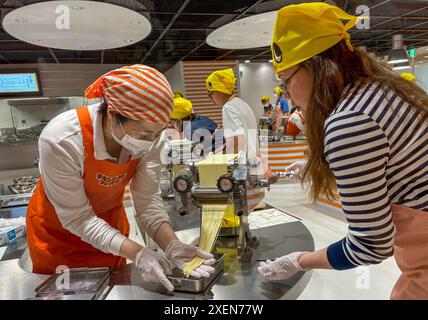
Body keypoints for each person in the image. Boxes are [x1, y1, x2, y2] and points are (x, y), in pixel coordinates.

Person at [258, 3, 428, 300]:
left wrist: (299, 260)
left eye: (285, 81)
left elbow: (371, 246)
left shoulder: (349, 121)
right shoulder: (380, 91)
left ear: (314, 67)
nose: (287, 96)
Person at [26, 65, 216, 291]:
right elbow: (78, 218)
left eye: (158, 133)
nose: (150, 140)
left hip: (110, 230)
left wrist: (172, 245)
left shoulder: (155, 141)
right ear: (112, 115)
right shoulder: (62, 140)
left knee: (113, 291)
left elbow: (147, 203)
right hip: (58, 237)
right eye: (143, 133)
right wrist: (139, 253)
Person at [206, 68, 265, 213]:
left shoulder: (228, 107)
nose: (210, 99)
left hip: (242, 167)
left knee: (238, 209)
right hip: (253, 162)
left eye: (210, 94)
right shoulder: (242, 103)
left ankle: (240, 234)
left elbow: (238, 141)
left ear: (219, 90)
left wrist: (221, 158)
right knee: (245, 210)